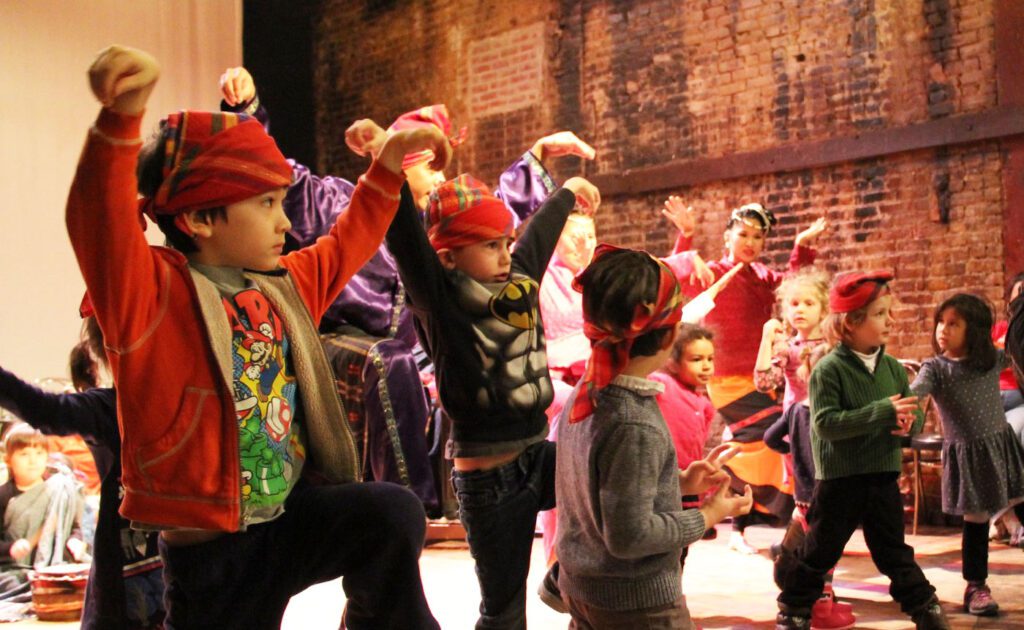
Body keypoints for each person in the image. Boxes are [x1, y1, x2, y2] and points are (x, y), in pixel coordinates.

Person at [67, 44, 448, 628]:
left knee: (390, 513)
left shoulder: (283, 286)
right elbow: (98, 221)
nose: (286, 221)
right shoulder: (148, 294)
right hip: (213, 558)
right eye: (266, 204)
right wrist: (121, 117)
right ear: (199, 219)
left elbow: (350, 238)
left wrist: (388, 167)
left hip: (289, 517)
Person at [221, 67, 595, 515]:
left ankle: (475, 498)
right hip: (338, 339)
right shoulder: (340, 200)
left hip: (414, 350)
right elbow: (287, 179)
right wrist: (245, 112)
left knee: (462, 358)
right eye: (431, 168)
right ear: (404, 161)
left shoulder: (435, 225)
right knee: (388, 360)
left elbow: (486, 222)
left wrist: (538, 158)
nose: (440, 180)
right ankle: (412, 503)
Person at [386, 170, 599, 628]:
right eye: (490, 246)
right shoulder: (439, 299)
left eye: (506, 242)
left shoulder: (517, 281)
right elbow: (405, 239)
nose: (506, 254)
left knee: (609, 481)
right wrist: (387, 168)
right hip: (490, 481)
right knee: (504, 610)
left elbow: (537, 239)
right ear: (447, 258)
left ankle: (560, 577)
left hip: (536, 455)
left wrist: (567, 193)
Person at [555, 245, 753, 628]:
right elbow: (630, 537)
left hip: (584, 590)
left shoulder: (589, 389)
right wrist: (710, 514)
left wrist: (676, 483)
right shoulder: (633, 421)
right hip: (636, 603)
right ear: (670, 337)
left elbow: (601, 487)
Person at [775, 271, 948, 630]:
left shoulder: (892, 369)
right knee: (820, 551)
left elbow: (912, 418)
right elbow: (825, 424)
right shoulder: (828, 370)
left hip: (882, 476)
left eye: (888, 312)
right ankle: (793, 610)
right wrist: (882, 412)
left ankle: (925, 608)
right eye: (880, 313)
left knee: (893, 552)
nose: (890, 320)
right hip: (841, 480)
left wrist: (907, 424)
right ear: (851, 322)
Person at [667, 198, 827, 553]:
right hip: (725, 378)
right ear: (728, 237)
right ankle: (798, 522)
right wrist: (686, 237)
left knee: (746, 449)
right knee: (776, 438)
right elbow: (678, 280)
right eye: (743, 234)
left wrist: (802, 247)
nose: (751, 242)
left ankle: (741, 527)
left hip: (761, 377)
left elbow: (796, 287)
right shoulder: (711, 270)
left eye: (758, 236)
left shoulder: (763, 278)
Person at [0, 315, 164, 628]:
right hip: (130, 582)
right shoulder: (109, 407)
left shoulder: (175, 402)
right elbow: (46, 410)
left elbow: (46, 410)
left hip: (155, 578)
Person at [910, 293, 1024, 616]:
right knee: (975, 523)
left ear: (973, 330)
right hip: (969, 458)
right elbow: (913, 393)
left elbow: (1017, 349)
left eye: (953, 324)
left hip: (1001, 448)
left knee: (1020, 502)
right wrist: (901, 408)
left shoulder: (991, 360)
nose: (942, 330)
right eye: (940, 323)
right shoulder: (936, 368)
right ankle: (976, 587)